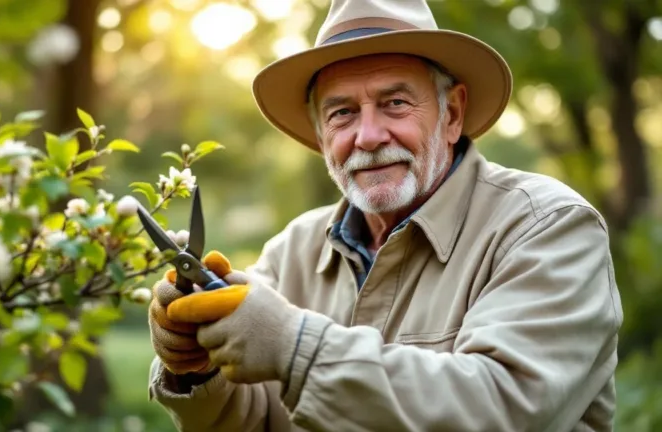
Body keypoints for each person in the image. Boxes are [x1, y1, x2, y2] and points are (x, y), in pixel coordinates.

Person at [146, 0, 624, 430]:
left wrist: (297, 348)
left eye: (395, 103)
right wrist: (197, 368)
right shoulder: (293, 249)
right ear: (320, 135)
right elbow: (254, 422)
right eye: (342, 113)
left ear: (452, 113)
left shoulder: (549, 226)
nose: (368, 135)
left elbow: (506, 408)